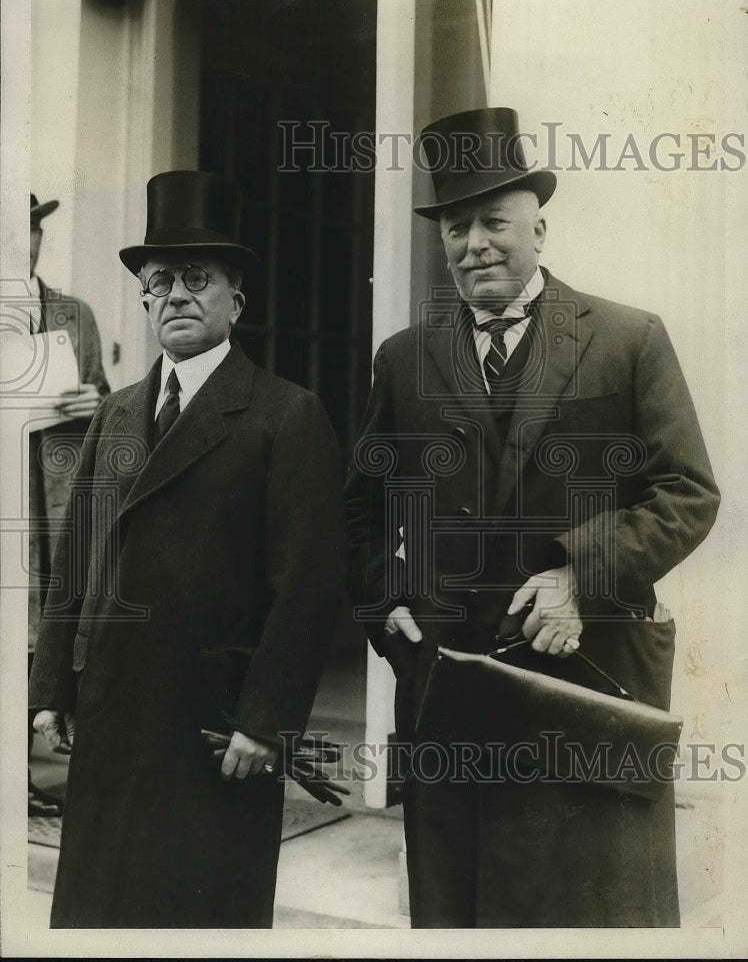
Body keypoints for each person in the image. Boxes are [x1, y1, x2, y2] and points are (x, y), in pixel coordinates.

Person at [345, 107, 720, 928]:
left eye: (494, 221)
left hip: (584, 679)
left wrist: (578, 575)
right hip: (451, 684)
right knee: (461, 910)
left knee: (586, 910)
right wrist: (389, 604)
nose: (475, 243)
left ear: (538, 227)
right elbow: (361, 512)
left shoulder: (627, 339)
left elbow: (688, 493)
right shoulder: (406, 359)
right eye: (455, 226)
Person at [29, 170, 346, 928]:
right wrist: (49, 691)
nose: (175, 294)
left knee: (199, 915)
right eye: (159, 279)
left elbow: (306, 587)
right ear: (142, 299)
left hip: (216, 727)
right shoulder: (115, 413)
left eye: (197, 278)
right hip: (112, 717)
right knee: (103, 912)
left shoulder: (284, 414)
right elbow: (75, 561)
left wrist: (264, 723)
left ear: (236, 300)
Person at [28, 193, 110, 817]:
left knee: (54, 623)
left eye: (28, 229)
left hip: (58, 497)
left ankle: (44, 761)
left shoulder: (73, 315)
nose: (19, 243)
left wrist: (93, 403)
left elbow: (110, 406)